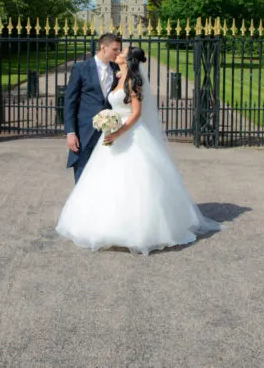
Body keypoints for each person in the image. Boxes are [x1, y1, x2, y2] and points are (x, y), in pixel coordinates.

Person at [56, 45, 223, 255]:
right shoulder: (118, 77)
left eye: (122, 52)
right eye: (117, 50)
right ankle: (108, 223)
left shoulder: (133, 82)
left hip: (129, 133)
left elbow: (136, 113)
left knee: (135, 180)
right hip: (113, 134)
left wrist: (119, 132)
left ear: (128, 59)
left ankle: (140, 228)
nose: (118, 54)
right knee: (107, 179)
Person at [64, 33, 122, 183]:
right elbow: (70, 101)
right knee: (82, 173)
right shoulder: (80, 68)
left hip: (108, 132)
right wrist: (70, 132)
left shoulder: (117, 70)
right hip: (84, 131)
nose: (118, 53)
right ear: (103, 47)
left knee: (106, 175)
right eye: (115, 50)